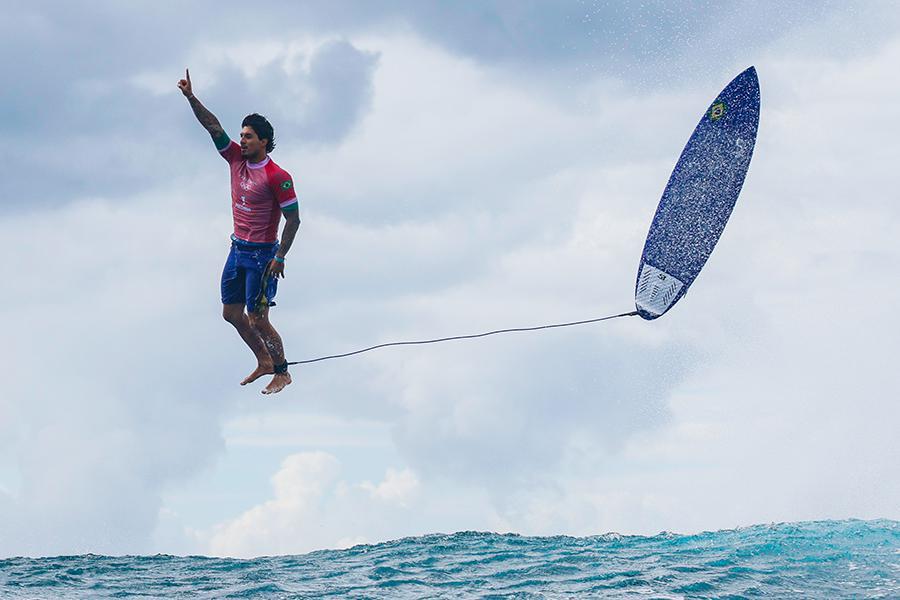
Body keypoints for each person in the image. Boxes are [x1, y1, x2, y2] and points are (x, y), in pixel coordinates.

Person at [177, 69, 300, 394]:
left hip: (262, 256)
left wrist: (281, 256)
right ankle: (263, 360)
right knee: (231, 313)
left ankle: (282, 371)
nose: (241, 140)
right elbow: (213, 127)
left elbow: (294, 219)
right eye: (241, 135)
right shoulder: (235, 159)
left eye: (247, 136)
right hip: (237, 250)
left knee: (258, 317)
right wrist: (191, 97)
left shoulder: (277, 176)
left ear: (263, 141)